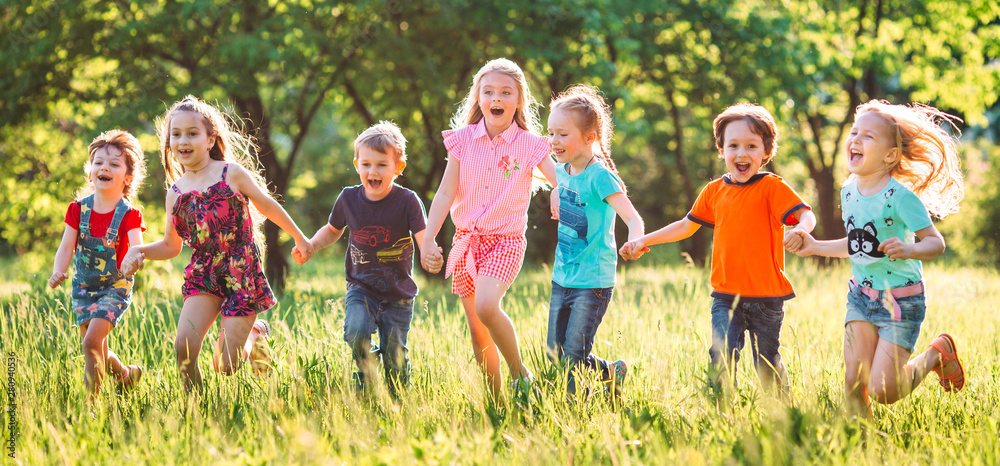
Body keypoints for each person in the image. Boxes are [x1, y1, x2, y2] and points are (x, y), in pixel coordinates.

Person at [620, 103, 816, 395]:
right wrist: (643, 240)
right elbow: (685, 226)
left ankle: (783, 415)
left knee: (767, 363)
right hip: (726, 296)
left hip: (768, 298)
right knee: (721, 354)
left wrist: (801, 230)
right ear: (721, 150)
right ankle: (721, 414)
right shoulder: (714, 191)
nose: (741, 153)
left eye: (751, 146)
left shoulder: (773, 187)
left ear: (766, 151)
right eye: (733, 145)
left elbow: (806, 214)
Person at [121, 96, 314, 390]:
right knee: (184, 350)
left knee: (225, 367)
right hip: (204, 272)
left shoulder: (231, 173)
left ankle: (255, 334)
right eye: (176, 134)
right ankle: (196, 416)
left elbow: (267, 205)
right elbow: (171, 246)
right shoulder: (175, 193)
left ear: (211, 139)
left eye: (192, 133)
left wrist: (301, 238)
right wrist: (138, 250)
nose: (182, 140)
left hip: (241, 270)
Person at [788, 100, 966, 416]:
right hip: (860, 296)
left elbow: (935, 244)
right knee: (855, 384)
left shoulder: (900, 198)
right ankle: (863, 449)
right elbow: (858, 245)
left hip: (901, 302)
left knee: (884, 391)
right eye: (854, 132)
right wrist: (814, 246)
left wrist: (910, 249)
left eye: (868, 136)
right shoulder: (849, 191)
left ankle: (935, 355)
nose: (856, 139)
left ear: (889, 156)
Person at [419, 58, 559, 398]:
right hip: (466, 242)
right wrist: (428, 239)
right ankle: (496, 401)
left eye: (506, 92)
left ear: (518, 101)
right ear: (478, 99)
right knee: (478, 330)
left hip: (506, 242)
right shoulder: (462, 140)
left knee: (486, 306)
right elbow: (446, 192)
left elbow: (563, 180)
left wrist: (558, 191)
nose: (497, 98)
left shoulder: (530, 144)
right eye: (489, 92)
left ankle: (520, 374)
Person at [302, 121, 438, 398]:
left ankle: (399, 402)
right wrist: (311, 245)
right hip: (361, 287)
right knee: (356, 331)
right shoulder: (349, 199)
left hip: (398, 292)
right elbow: (332, 230)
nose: (372, 172)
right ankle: (367, 369)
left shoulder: (408, 201)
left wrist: (429, 252)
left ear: (398, 167)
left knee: (395, 355)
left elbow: (423, 235)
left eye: (381, 165)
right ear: (356, 165)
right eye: (366, 165)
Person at [545, 85, 643, 397]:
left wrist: (636, 241)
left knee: (573, 354)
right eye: (551, 134)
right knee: (554, 352)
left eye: (562, 134)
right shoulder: (562, 170)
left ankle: (573, 411)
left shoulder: (601, 176)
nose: (554, 141)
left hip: (593, 281)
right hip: (562, 276)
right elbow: (561, 184)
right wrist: (554, 192)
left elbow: (633, 217)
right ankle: (611, 372)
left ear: (589, 137)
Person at [49, 129, 148, 400]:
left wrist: (135, 260)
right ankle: (126, 374)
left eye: (114, 164)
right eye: (99, 162)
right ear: (90, 171)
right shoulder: (78, 209)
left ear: (126, 178)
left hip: (115, 286)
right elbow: (66, 246)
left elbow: (137, 247)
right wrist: (59, 269)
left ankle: (91, 407)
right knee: (95, 348)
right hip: (84, 286)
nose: (105, 167)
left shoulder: (129, 215)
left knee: (92, 342)